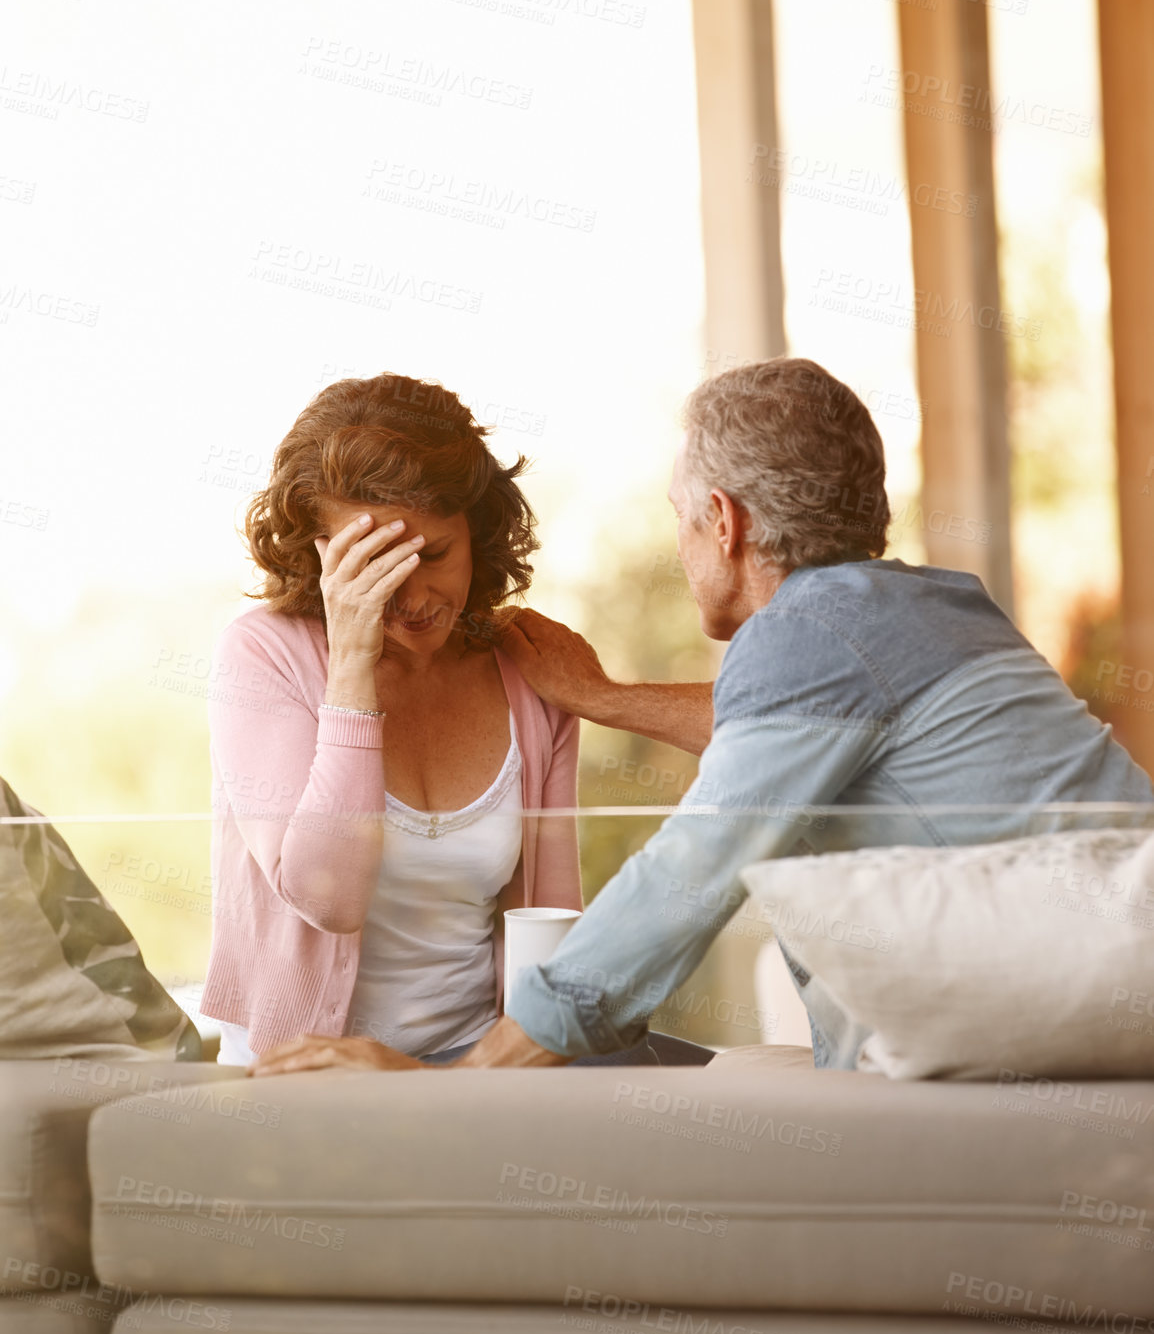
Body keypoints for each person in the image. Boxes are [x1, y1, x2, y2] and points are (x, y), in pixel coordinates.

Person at [252, 357, 1153, 1080]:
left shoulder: (803, 632)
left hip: (1055, 1043)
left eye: (681, 521)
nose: (682, 548)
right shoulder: (937, 609)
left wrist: (452, 1084)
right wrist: (603, 700)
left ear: (722, 522)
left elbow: (685, 879)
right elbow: (786, 737)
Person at [200, 372, 582, 1067]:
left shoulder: (529, 672)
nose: (409, 594)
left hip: (482, 1075)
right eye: (371, 562)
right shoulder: (261, 655)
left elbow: (550, 934)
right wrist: (350, 667)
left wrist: (486, 1084)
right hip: (306, 1079)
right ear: (315, 551)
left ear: (478, 532)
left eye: (432, 555)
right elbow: (327, 897)